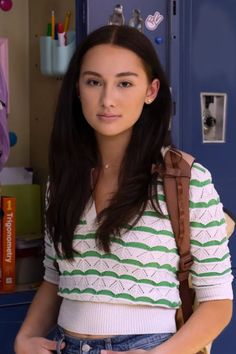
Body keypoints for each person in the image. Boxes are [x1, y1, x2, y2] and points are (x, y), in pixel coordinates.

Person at [14, 25, 233, 354]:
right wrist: (25, 338)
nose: (107, 99)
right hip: (64, 344)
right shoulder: (63, 180)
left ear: (151, 90)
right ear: (77, 88)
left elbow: (218, 303)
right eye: (93, 82)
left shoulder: (185, 179)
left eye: (125, 83)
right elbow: (54, 277)